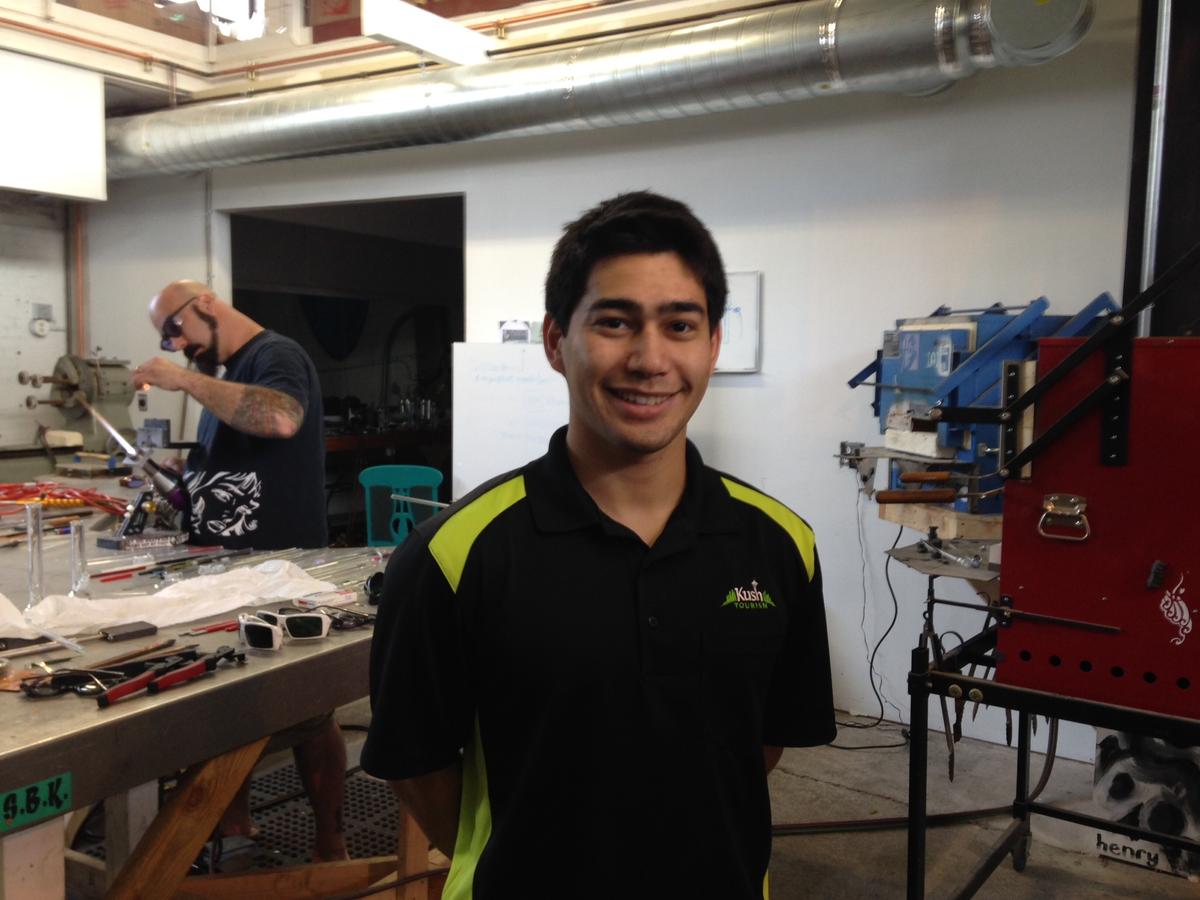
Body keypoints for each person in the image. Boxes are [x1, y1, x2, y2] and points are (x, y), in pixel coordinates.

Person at [362, 193, 836, 898]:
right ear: (556, 342)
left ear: (712, 345)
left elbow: (756, 745)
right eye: (615, 323)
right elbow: (417, 766)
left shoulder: (779, 544)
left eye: (680, 324)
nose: (650, 360)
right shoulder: (454, 556)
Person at [134, 280, 347, 861]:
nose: (176, 346)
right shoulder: (226, 377)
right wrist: (187, 468)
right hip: (230, 571)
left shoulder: (275, 355)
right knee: (233, 709)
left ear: (203, 302)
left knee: (308, 711)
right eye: (166, 340)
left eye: (173, 330)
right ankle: (236, 833)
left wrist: (183, 380)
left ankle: (331, 845)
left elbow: (279, 421)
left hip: (279, 570)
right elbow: (237, 453)